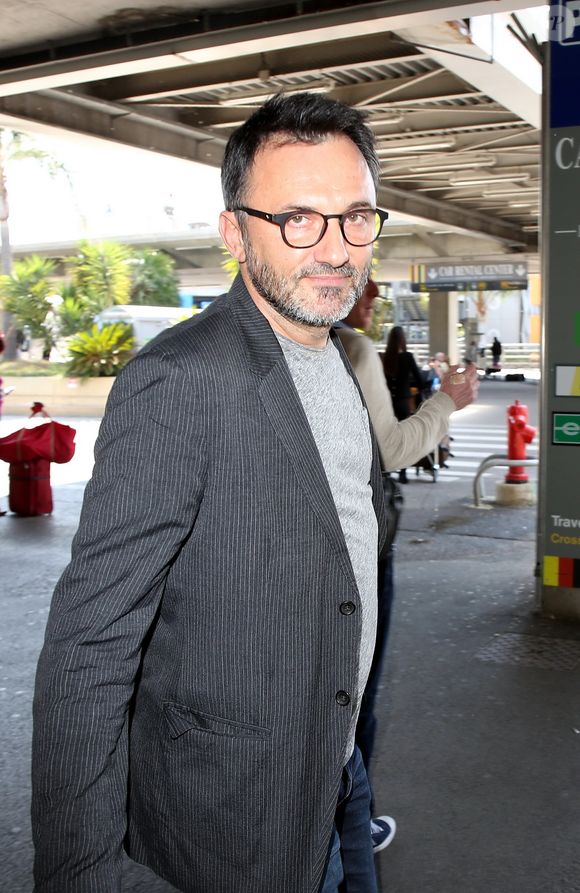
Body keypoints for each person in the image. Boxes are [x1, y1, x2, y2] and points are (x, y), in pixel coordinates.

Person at [32, 92, 393, 893]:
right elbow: (90, 644)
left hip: (337, 764)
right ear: (235, 232)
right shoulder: (180, 379)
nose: (334, 248)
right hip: (232, 810)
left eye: (355, 216)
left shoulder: (336, 354)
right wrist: (82, 868)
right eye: (298, 218)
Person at [337, 281, 477, 851]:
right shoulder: (351, 349)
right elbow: (389, 450)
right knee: (354, 692)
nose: (372, 297)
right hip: (357, 546)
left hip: (281, 550)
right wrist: (449, 401)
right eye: (364, 286)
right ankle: (350, 826)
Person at [381, 326, 425, 484]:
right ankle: (403, 473)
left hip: (387, 403)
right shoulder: (408, 357)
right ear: (403, 340)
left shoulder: (385, 357)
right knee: (403, 438)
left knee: (387, 438)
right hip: (403, 402)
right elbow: (419, 380)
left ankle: (386, 471)